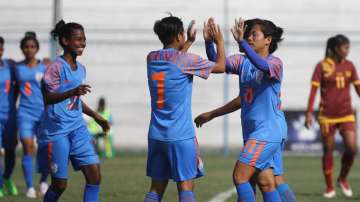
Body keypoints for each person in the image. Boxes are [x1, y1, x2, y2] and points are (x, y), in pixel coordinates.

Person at [199, 17, 292, 202]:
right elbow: (217, 63)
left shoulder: (275, 63)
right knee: (266, 182)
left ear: (268, 40)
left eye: (253, 34)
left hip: (268, 132)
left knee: (240, 176)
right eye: (247, 34)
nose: (249, 37)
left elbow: (262, 65)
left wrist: (241, 42)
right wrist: (210, 42)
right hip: (256, 132)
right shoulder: (243, 62)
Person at [144, 15, 225, 202]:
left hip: (157, 135)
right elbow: (220, 66)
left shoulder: (152, 58)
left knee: (155, 190)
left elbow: (176, 60)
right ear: (179, 35)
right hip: (181, 136)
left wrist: (188, 41)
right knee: (186, 188)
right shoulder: (185, 60)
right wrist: (218, 41)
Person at [41, 20, 110, 202]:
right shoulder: (55, 68)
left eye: (84, 39)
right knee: (59, 185)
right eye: (78, 39)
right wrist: (72, 91)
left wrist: (96, 116)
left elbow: (75, 101)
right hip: (58, 132)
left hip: (78, 129)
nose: (82, 43)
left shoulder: (81, 69)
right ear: (64, 41)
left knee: (95, 176)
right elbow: (48, 98)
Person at [305, 34, 359, 198]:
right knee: (328, 149)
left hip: (346, 114)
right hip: (326, 116)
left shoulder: (350, 66)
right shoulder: (321, 66)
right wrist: (308, 112)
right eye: (345, 48)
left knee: (351, 148)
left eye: (348, 47)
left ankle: (342, 178)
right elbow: (314, 90)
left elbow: (358, 88)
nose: (347, 51)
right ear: (336, 49)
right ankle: (329, 187)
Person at [15, 31, 49, 198]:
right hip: (25, 114)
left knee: (46, 149)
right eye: (26, 47)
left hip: (43, 114)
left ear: (37, 49)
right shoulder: (17, 68)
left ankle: (43, 181)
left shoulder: (45, 66)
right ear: (22, 49)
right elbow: (13, 90)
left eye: (32, 47)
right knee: (28, 147)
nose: (29, 50)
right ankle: (29, 187)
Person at [0, 36, 18, 197]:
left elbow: (26, 69)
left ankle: (6, 178)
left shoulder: (10, 67)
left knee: (11, 152)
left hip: (10, 116)